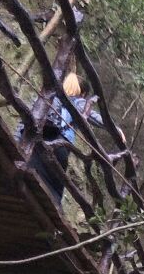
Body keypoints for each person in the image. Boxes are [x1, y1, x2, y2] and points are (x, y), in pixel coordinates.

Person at [22, 72, 103, 205]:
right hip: (59, 146)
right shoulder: (78, 102)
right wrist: (117, 130)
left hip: (36, 139)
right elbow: (96, 119)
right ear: (82, 93)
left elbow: (25, 122)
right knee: (51, 190)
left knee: (29, 173)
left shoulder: (48, 96)